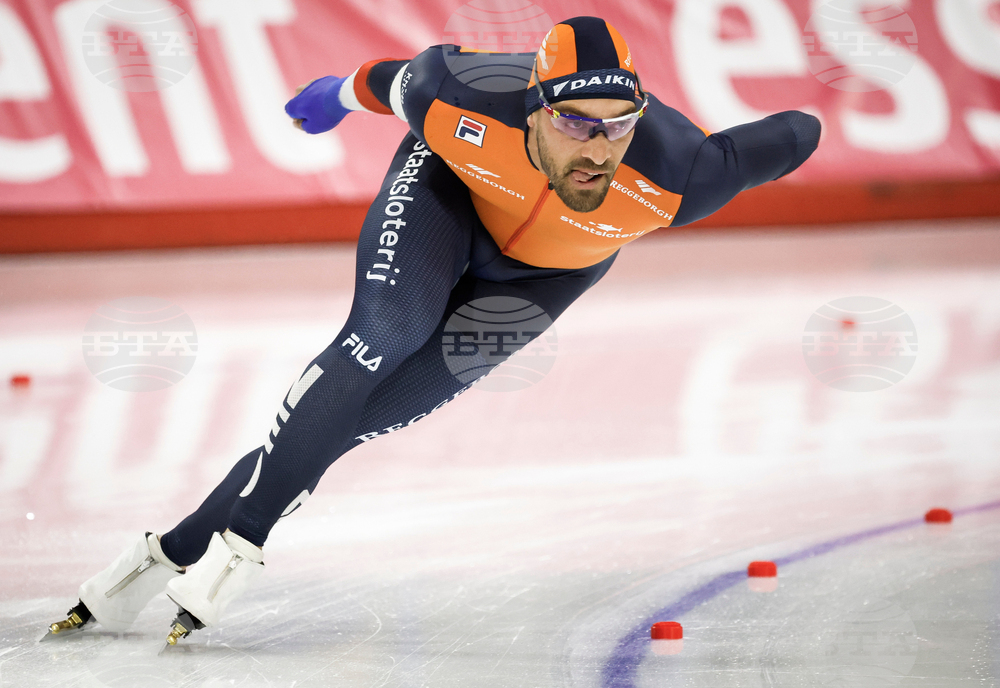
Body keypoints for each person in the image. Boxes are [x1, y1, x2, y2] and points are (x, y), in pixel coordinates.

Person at [48, 17, 820, 645]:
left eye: (618, 127)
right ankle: (242, 545)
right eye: (575, 122)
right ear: (534, 106)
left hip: (544, 279)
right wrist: (336, 96)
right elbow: (385, 81)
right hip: (444, 200)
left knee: (362, 419)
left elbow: (798, 131)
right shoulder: (461, 96)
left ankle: (163, 556)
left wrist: (795, 126)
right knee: (386, 332)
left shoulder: (683, 174)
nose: (597, 149)